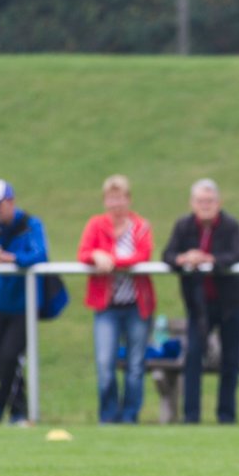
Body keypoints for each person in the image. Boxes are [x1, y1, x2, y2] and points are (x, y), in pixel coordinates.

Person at [161, 179, 239, 424]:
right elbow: (167, 254)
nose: (205, 205)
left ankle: (226, 416)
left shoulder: (231, 226)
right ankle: (191, 416)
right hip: (198, 305)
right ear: (192, 203)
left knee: (230, 359)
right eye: (200, 201)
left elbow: (238, 254)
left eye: (210, 201)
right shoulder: (184, 226)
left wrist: (208, 259)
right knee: (193, 355)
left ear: (219, 203)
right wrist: (183, 258)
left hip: (231, 303)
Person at [77, 175, 156, 424]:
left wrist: (108, 259)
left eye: (120, 197)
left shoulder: (141, 226)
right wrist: (95, 255)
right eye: (111, 198)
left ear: (129, 199)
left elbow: (142, 256)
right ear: (105, 201)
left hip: (136, 306)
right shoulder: (96, 224)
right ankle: (108, 416)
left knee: (135, 366)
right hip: (107, 307)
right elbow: (83, 253)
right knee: (105, 364)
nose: (116, 203)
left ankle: (130, 416)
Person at [0, 179, 51, 426]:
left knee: (11, 357)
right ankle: (17, 411)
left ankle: (0, 406)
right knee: (0, 359)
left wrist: (8, 257)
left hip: (24, 303)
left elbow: (39, 254)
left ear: (10, 201)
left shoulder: (30, 225)